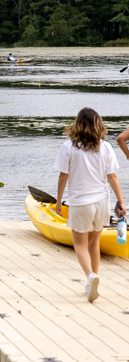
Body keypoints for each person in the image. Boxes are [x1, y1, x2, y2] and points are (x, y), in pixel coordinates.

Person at [54, 106, 126, 302]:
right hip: (102, 201)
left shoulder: (68, 146)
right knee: (94, 243)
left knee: (79, 244)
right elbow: (112, 176)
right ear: (98, 125)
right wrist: (121, 201)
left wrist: (59, 201)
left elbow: (63, 176)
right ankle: (92, 281)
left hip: (80, 202)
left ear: (77, 124)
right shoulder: (106, 147)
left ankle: (90, 276)